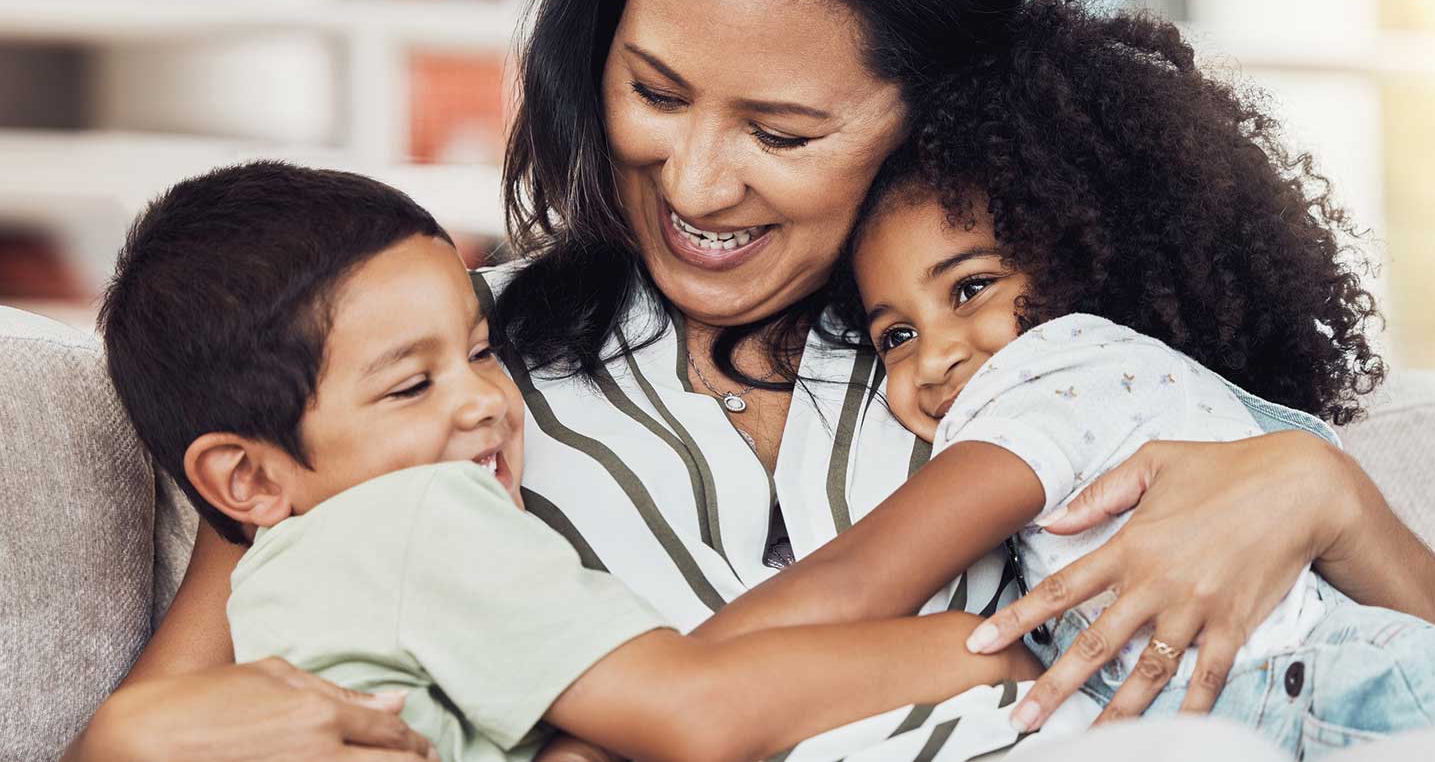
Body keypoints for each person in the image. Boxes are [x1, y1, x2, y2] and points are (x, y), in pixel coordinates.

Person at [71, 0, 1435, 760]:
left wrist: (1318, 490)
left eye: (785, 132)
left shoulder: (1018, 348)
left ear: (931, 119)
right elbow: (187, 687)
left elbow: (1429, 688)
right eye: (658, 92)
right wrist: (132, 740)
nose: (694, 180)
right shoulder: (430, 368)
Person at [729, 0, 1435, 757]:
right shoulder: (1184, 400)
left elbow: (860, 580)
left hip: (1345, 708)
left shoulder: (1054, 378)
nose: (939, 352)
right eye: (894, 337)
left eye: (972, 287)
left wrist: (658, 668)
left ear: (1079, 256)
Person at [92, 161, 1040, 762]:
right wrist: (984, 654)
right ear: (248, 480)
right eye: (409, 388)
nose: (485, 403)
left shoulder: (293, 579)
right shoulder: (417, 520)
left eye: (476, 350)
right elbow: (698, 715)